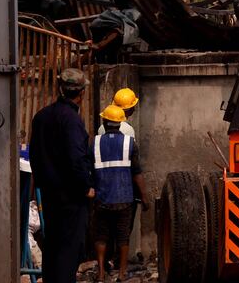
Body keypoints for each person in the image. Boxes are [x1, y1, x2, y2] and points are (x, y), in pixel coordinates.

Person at [29, 68, 95, 283]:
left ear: (60, 88)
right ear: (82, 93)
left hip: (49, 195)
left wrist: (42, 183)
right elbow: (76, 159)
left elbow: (35, 156)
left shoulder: (41, 117)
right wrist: (86, 187)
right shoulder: (71, 120)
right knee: (69, 251)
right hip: (71, 198)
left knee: (53, 247)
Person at [92, 104, 149, 283]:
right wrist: (144, 196)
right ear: (121, 123)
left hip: (102, 198)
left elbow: (87, 169)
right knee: (123, 237)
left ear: (104, 122)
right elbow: (137, 172)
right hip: (124, 198)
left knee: (101, 236)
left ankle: (101, 273)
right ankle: (122, 273)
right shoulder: (129, 143)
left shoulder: (94, 142)